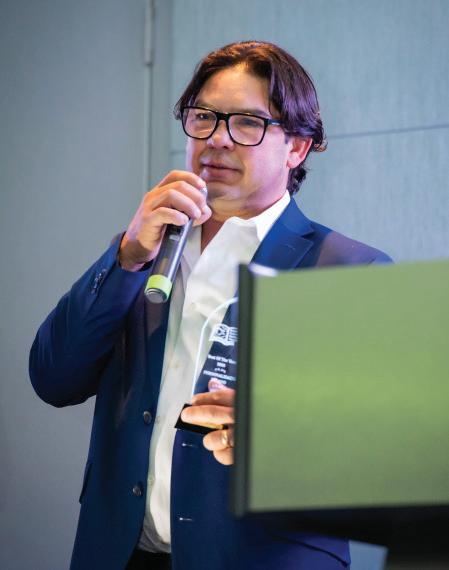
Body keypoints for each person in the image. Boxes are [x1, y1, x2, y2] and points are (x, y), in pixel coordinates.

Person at [29, 41, 391, 570]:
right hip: (119, 554)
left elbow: (379, 459)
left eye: (247, 123)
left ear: (297, 148)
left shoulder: (349, 270)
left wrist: (281, 440)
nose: (217, 138)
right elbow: (53, 378)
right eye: (203, 117)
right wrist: (127, 256)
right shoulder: (145, 251)